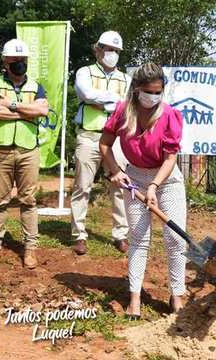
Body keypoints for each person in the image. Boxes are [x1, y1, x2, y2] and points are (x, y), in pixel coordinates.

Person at [100, 63, 187, 318]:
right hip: (134, 177)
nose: (154, 96)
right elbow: (104, 144)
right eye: (149, 91)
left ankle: (177, 294)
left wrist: (153, 186)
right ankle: (135, 296)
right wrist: (116, 170)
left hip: (166, 178)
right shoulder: (122, 111)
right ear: (137, 90)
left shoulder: (170, 115)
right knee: (138, 238)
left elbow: (170, 159)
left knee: (175, 238)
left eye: (159, 91)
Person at [0, 39, 49, 269]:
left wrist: (9, 105)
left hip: (28, 150)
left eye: (22, 60)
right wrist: (25, 112)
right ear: (5, 61)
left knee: (28, 200)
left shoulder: (36, 86)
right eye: (14, 60)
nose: (19, 64)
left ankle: (30, 249)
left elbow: (42, 110)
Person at [71, 31, 130, 255]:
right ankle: (79, 235)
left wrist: (101, 100)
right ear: (97, 49)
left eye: (116, 50)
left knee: (120, 187)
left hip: (117, 138)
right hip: (89, 135)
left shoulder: (126, 79)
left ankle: (120, 235)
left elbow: (127, 104)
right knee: (82, 186)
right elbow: (86, 94)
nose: (111, 53)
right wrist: (114, 101)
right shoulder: (84, 72)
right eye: (107, 48)